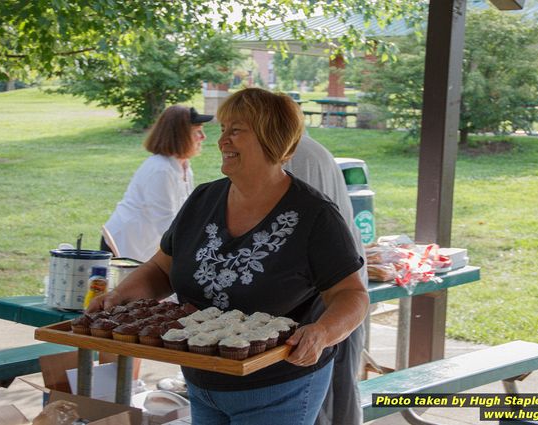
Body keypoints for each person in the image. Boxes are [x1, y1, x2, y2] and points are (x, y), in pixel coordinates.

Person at [88, 88, 369, 425]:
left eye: (236, 131)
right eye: (222, 130)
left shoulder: (314, 215)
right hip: (202, 375)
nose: (222, 141)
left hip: (276, 386)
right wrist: (120, 297)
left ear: (272, 138)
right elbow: (162, 269)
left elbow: (351, 295)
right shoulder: (203, 199)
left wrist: (322, 333)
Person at [285, 134, 368, 425]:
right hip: (334, 289)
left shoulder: (293, 155)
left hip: (324, 299)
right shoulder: (310, 149)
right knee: (339, 392)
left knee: (323, 398)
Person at [102, 106, 213, 262]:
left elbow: (184, 214)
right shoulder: (161, 170)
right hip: (123, 246)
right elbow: (166, 223)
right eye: (197, 131)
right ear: (180, 136)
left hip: (143, 245)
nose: (203, 137)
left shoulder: (183, 166)